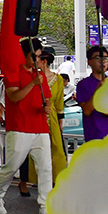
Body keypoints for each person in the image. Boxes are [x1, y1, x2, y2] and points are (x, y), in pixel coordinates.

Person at [0, 38, 53, 214]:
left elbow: (46, 97)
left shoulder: (39, 74)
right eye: (35, 57)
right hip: (19, 127)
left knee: (46, 168)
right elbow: (14, 97)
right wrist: (33, 84)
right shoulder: (13, 73)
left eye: (39, 57)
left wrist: (46, 106)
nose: (37, 61)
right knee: (11, 166)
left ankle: (45, 206)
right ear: (23, 55)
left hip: (40, 127)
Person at [76, 45, 108, 142]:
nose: (103, 61)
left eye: (105, 58)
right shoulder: (83, 84)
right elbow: (87, 110)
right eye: (98, 58)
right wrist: (99, 90)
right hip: (95, 137)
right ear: (89, 62)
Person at [36, 47, 67, 182]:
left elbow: (59, 100)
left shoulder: (58, 79)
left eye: (37, 59)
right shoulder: (34, 78)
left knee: (56, 147)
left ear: (44, 61)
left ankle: (57, 178)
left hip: (52, 117)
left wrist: (61, 121)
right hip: (36, 117)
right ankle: (37, 178)